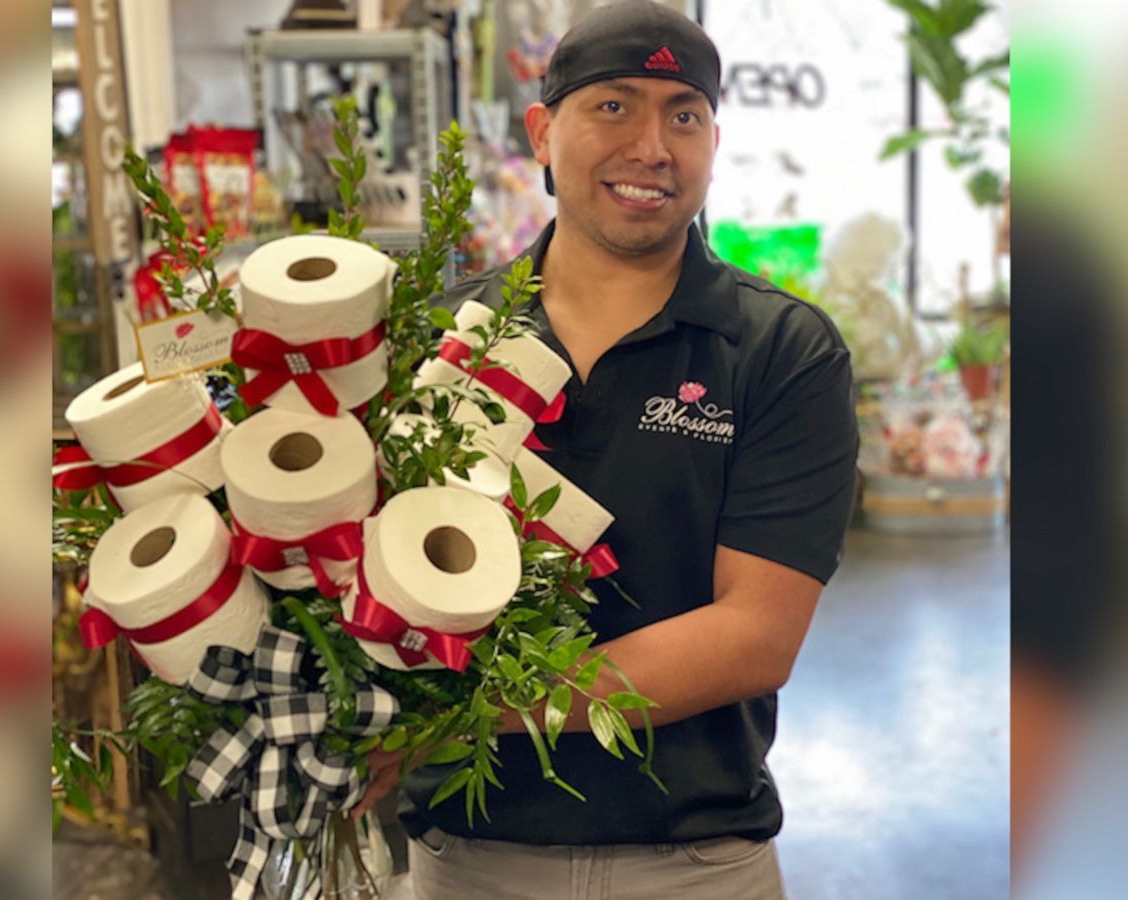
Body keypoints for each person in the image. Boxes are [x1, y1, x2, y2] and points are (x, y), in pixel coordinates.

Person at [352, 3, 858, 897]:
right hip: (465, 861)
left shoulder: (780, 350)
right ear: (543, 133)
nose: (652, 147)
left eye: (684, 114)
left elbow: (753, 638)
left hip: (699, 864)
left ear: (712, 140)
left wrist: (455, 719)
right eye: (614, 106)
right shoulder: (436, 336)